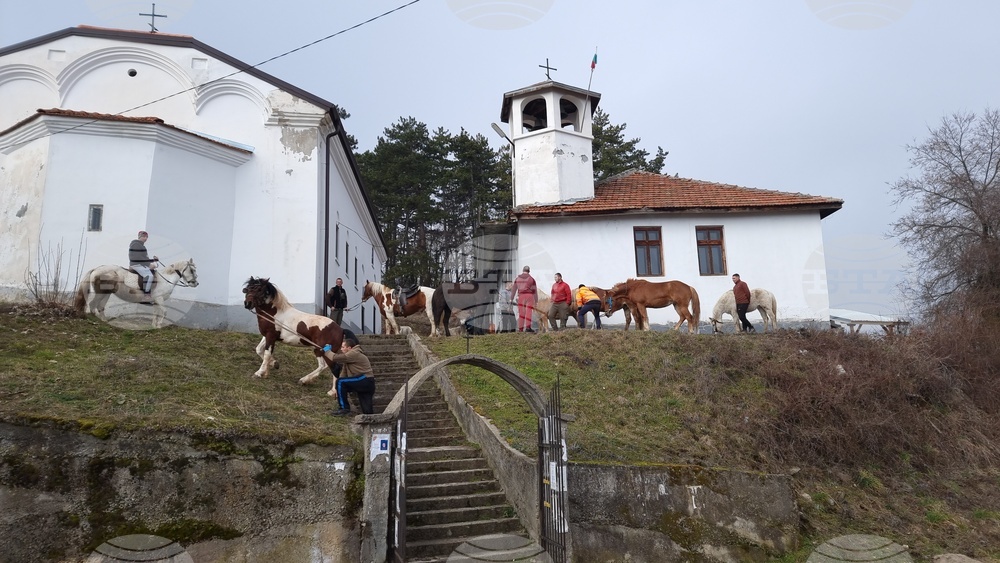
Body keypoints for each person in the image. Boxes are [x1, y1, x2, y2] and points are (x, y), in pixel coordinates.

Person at [327, 334, 375, 415]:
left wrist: (327, 351)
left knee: (341, 382)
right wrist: (338, 388)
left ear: (349, 348)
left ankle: (344, 409)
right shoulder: (349, 358)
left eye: (343, 347)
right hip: (367, 383)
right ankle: (370, 419)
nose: (341, 349)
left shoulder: (354, 353)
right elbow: (344, 373)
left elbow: (335, 358)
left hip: (365, 379)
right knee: (367, 411)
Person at [128, 230, 158, 297]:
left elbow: (144, 258)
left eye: (146, 237)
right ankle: (146, 294)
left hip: (140, 264)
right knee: (149, 276)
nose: (145, 238)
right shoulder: (135, 244)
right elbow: (138, 257)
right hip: (136, 264)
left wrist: (153, 260)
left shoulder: (142, 246)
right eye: (144, 236)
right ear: (139, 237)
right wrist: (149, 265)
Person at [512, 265, 537, 332]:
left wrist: (511, 298)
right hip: (529, 296)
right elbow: (534, 291)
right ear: (529, 271)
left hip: (521, 296)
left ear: (523, 270)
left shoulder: (517, 279)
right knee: (529, 312)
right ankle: (528, 328)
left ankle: (520, 329)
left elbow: (514, 289)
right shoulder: (532, 279)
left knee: (521, 313)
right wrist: (536, 301)